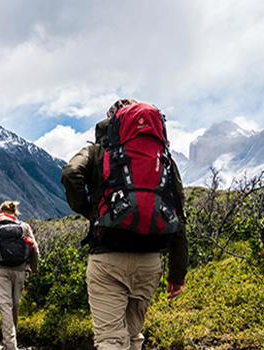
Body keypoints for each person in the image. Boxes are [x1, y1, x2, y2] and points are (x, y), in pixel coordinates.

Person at [60, 99, 189, 350]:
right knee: (133, 336)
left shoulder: (98, 152)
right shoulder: (163, 159)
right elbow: (178, 212)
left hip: (107, 257)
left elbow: (70, 173)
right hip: (150, 262)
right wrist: (178, 271)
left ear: (112, 123)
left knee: (110, 340)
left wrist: (88, 210)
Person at [0, 201, 39, 350]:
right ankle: (11, 344)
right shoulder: (24, 227)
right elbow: (35, 249)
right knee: (15, 306)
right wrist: (34, 268)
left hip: (0, 272)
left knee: (5, 307)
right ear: (15, 213)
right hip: (19, 271)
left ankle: (10, 347)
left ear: (1, 212)